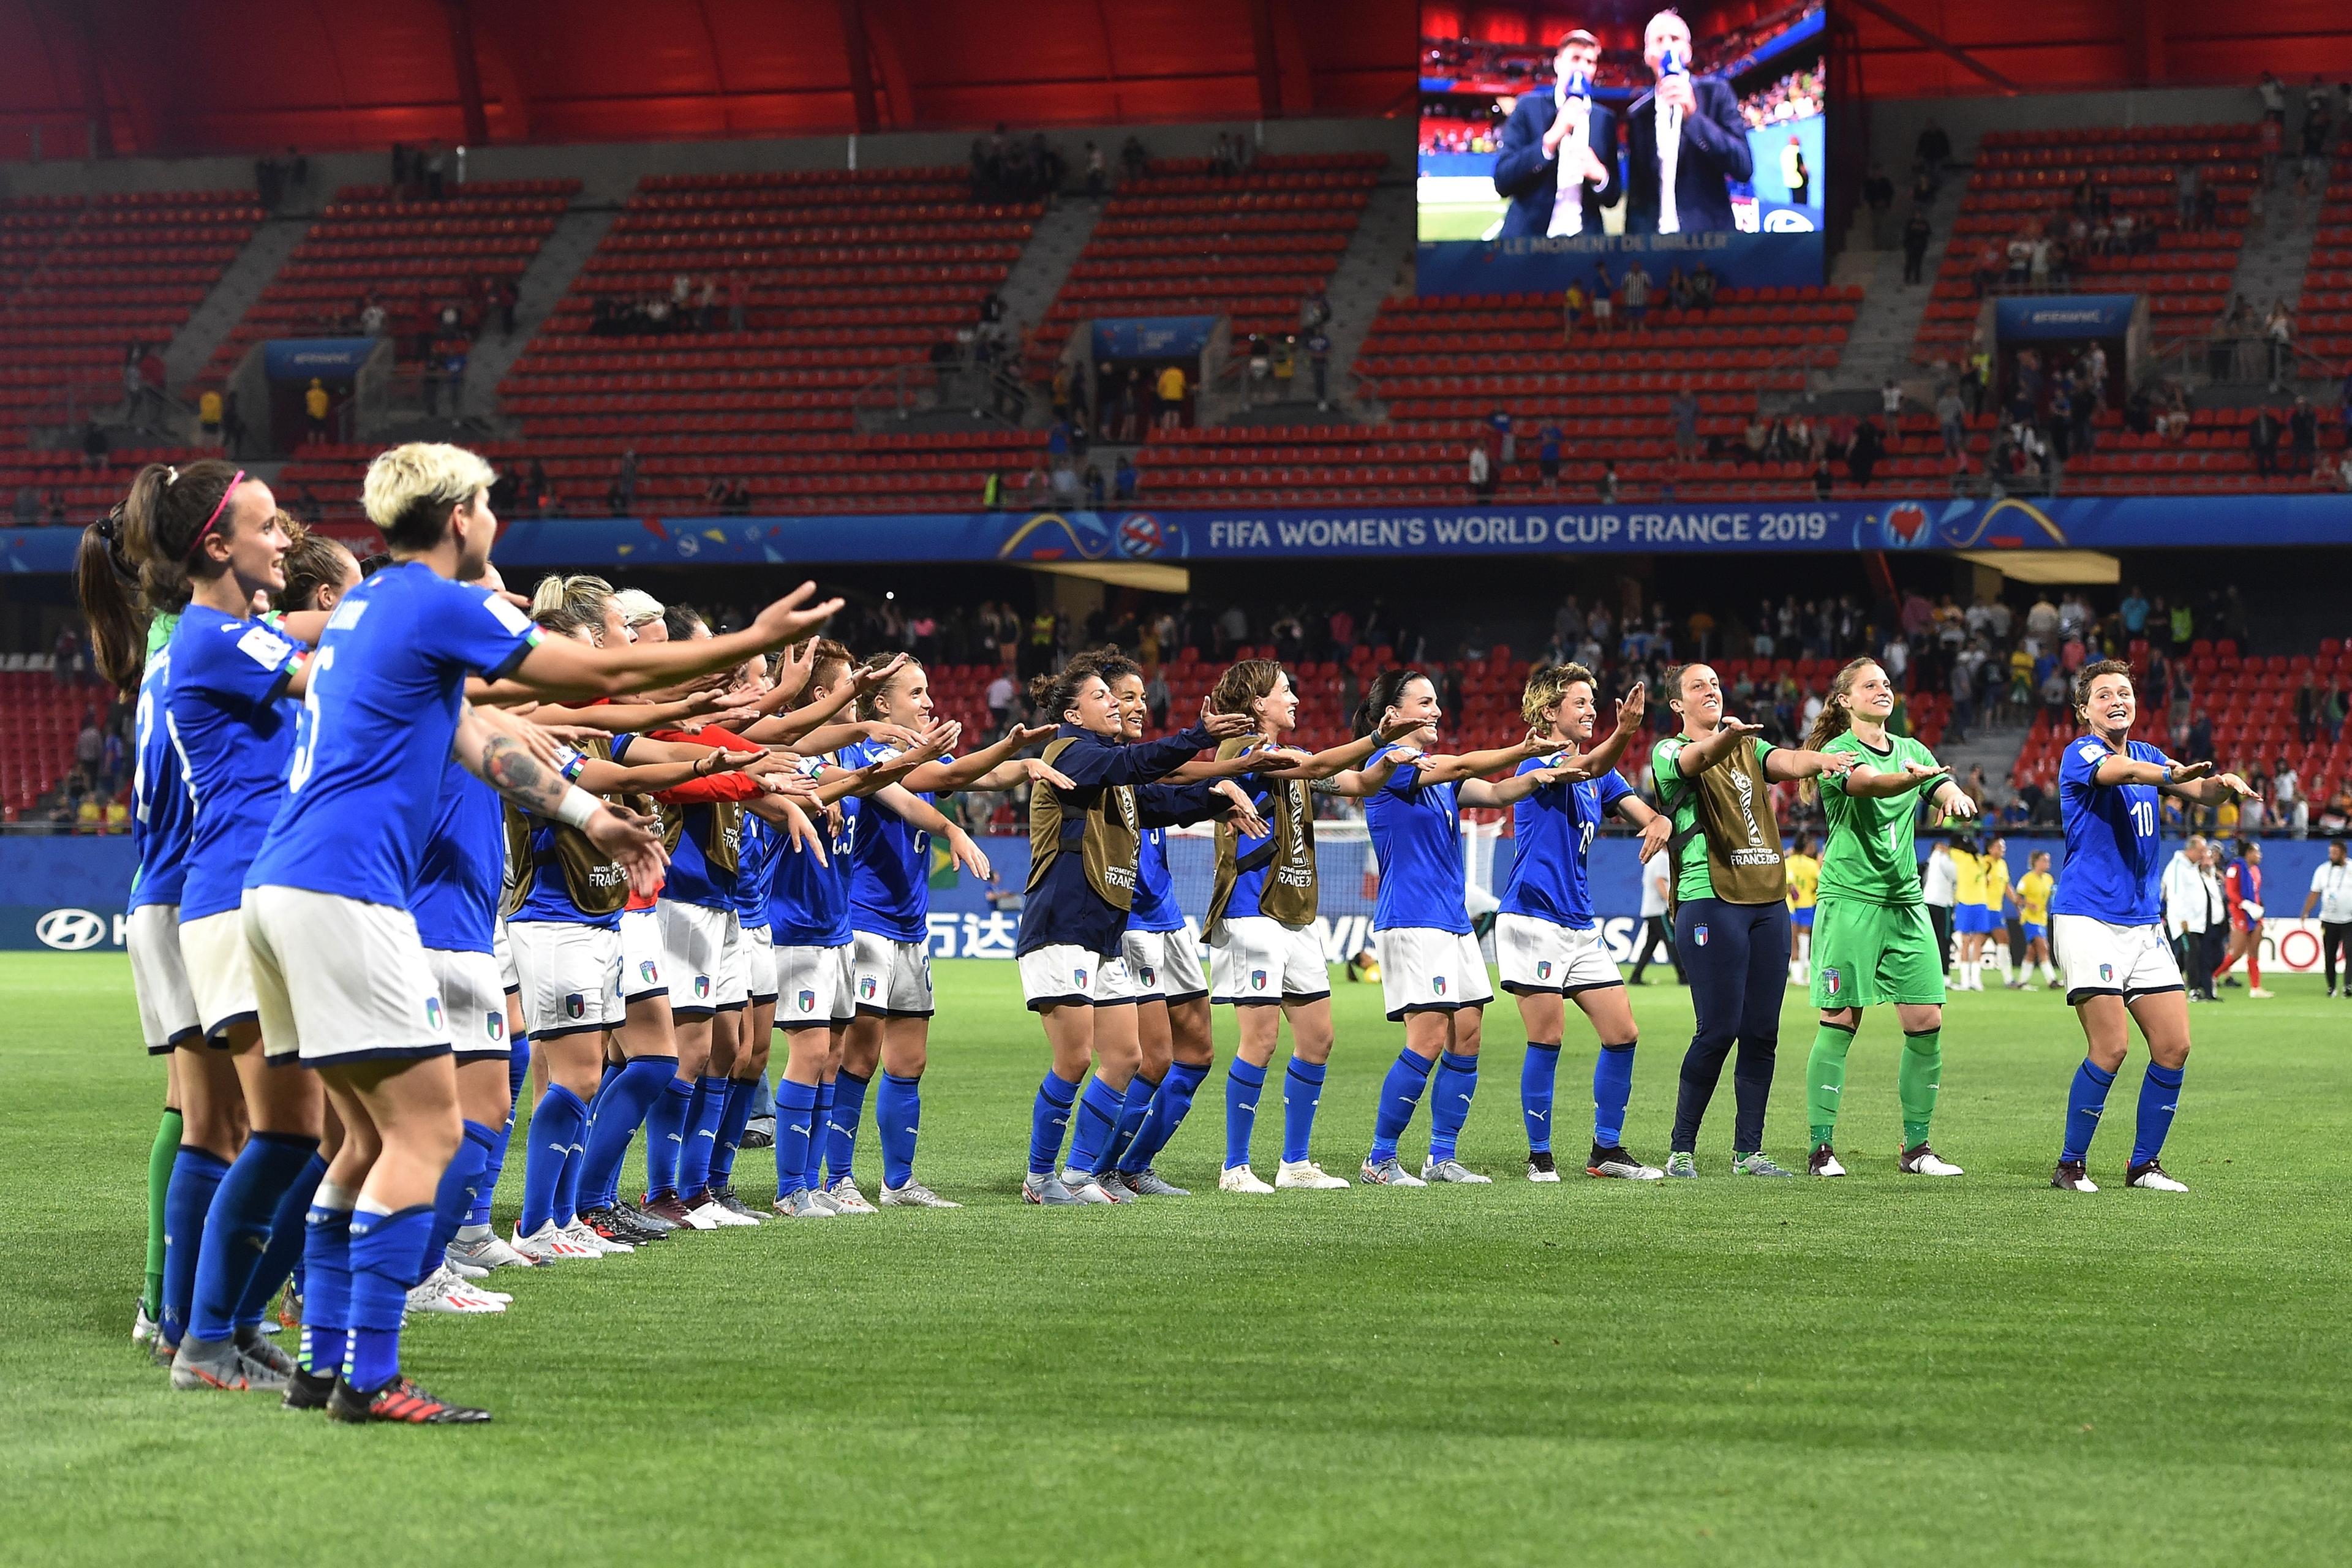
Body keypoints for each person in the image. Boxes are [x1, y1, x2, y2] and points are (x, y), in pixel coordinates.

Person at [248, 443, 843, 1420]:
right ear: (457, 519)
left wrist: (587, 814)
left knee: (358, 1136)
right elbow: (593, 668)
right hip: (348, 888)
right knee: (425, 1128)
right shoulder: (437, 598)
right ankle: (370, 1377)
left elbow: (487, 741)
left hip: (295, 884)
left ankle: (324, 1357)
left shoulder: (369, 609)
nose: (495, 519)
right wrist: (747, 642)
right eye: (487, 504)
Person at [1014, 659, 1251, 1204]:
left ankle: (1078, 1174)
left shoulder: (1111, 772)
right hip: (1061, 925)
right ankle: (1041, 1177)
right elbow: (1144, 765)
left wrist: (1218, 801)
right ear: (1074, 713)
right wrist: (1196, 737)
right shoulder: (1069, 755)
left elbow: (1160, 800)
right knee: (1073, 1059)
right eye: (1104, 697)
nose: (1117, 704)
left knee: (1125, 1056)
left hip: (1103, 934)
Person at [836, 660, 1066, 1205]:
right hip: (866, 924)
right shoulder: (871, 756)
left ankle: (898, 1183)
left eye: (928, 691)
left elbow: (978, 775)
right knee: (858, 1059)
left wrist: (1025, 761)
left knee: (909, 1061)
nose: (927, 701)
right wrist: (955, 826)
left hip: (910, 929)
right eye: (915, 693)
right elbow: (936, 784)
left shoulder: (923, 753)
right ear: (882, 705)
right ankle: (838, 1180)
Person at [1192, 659, 1415, 1193]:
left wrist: (1385, 759)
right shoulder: (1239, 750)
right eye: (1284, 691)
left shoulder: (1293, 757)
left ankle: (1294, 1164)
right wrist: (1373, 737)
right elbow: (1314, 768)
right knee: (1260, 1041)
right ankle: (1235, 1167)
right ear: (1256, 704)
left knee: (1317, 1038)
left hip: (1295, 914)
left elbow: (1357, 781)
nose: (1294, 698)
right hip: (1250, 911)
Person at [2049, 661, 2255, 1193]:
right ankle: (2070, 1165)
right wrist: (2173, 776)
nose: (2117, 700)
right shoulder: (2083, 753)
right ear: (2084, 709)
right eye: (2104, 695)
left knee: (2173, 1046)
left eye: (2125, 692)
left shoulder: (2147, 754)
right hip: (2088, 916)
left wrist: (2222, 787)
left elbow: (2197, 790)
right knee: (2111, 1047)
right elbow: (2125, 775)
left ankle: (2144, 1165)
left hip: (2143, 923)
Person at [75, 502, 201, 1351]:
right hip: (197, 890)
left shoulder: (165, 641)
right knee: (215, 1114)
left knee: (195, 1109)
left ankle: (170, 1298)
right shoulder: (197, 638)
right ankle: (178, 1303)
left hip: (171, 888)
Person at [1649, 662, 1853, 1178]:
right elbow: (1699, 757)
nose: (1711, 691)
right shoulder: (1669, 752)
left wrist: (1820, 760)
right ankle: (1681, 1150)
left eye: (1715, 684)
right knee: (1717, 1029)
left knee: (1762, 1031)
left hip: (1766, 899)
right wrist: (1727, 737)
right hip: (1708, 897)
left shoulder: (1747, 746)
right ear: (1678, 705)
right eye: (1698, 686)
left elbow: (1782, 759)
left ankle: (1748, 1152)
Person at [1351, 670, 1555, 1185]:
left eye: (1438, 700)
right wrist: (1519, 747)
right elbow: (1464, 763)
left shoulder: (1439, 777)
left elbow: (1500, 793)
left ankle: (1442, 1157)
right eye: (1425, 702)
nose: (1438, 709)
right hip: (1413, 920)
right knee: (1428, 1039)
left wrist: (1543, 774)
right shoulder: (1387, 765)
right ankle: (1379, 1158)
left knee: (1468, 1036)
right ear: (1392, 716)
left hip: (1453, 924)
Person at [1796, 658, 1977, 1180]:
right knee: (1841, 1020)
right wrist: (1912, 780)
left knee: (1927, 1022)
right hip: (1851, 900)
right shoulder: (1837, 753)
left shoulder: (1914, 750)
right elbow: (1872, 784)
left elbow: (1936, 784)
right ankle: (1820, 1149)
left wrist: (1952, 793)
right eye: (1870, 685)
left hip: (1905, 902)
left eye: (1887, 683)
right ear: (1846, 701)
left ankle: (1917, 1148)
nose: (1883, 690)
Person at [1496, 665, 1670, 1183]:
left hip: (1579, 922)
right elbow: (1591, 768)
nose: (1592, 709)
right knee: (1548, 1038)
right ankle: (1540, 1156)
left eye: (1594, 701)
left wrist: (1657, 820)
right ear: (1550, 713)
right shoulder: (1544, 762)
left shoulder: (1602, 770)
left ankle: (1606, 1151)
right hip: (1532, 917)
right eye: (1580, 702)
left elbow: (1639, 809)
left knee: (1623, 1033)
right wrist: (1625, 733)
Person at [1623, 9, 1753, 235]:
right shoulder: (1638, 115)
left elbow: (1743, 167)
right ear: (1647, 55)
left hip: (1709, 241)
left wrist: (1694, 117)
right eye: (1659, 40)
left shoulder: (1717, 93)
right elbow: (1637, 195)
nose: (1667, 45)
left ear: (1688, 52)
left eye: (1675, 39)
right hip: (1656, 244)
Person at [1489, 28, 1620, 239]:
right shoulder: (1527, 107)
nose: (1583, 67)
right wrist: (1548, 143)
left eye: (1590, 62)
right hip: (1530, 241)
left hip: (1584, 242)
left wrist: (1600, 175)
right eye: (1576, 58)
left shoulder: (1604, 119)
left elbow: (1613, 196)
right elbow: (1503, 182)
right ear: (1558, 64)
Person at [2214, 839, 2272, 998]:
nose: (2259, 855)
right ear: (2248, 853)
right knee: (2237, 952)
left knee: (2254, 951)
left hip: (2255, 915)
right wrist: (2247, 905)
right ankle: (2212, 976)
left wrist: (2258, 907)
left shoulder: (2255, 871)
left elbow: (2255, 893)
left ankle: (2255, 988)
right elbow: (2231, 892)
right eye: (2256, 852)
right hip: (2241, 914)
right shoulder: (2235, 868)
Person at [2162, 835, 2211, 1000]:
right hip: (2184, 922)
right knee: (2191, 954)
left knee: (2184, 957)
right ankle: (2194, 990)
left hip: (2196, 922)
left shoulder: (2192, 867)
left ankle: (2166, 985)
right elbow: (2175, 894)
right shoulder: (2177, 866)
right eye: (2201, 851)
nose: (2204, 854)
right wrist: (2182, 919)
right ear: (2191, 849)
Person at [2302, 838, 2352, 996]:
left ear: (2344, 853)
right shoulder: (2322, 870)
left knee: (2350, 952)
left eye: (2335, 853)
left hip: (2349, 919)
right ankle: (2331, 986)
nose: (2332, 856)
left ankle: (2348, 986)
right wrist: (2306, 911)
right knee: (2330, 954)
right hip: (2329, 919)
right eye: (2331, 852)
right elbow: (2315, 893)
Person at [1628, 851, 1681, 986]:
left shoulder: (1653, 858)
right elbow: (1660, 882)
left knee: (1650, 945)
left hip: (1650, 908)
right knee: (1672, 940)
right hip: (1659, 909)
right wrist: (1671, 903)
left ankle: (1636, 976)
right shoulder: (1662, 858)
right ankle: (1684, 976)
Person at [2013, 849, 2057, 990]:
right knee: (2043, 947)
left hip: (2042, 919)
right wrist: (2028, 904)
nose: (2047, 864)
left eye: (2048, 861)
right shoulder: (2027, 879)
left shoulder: (2049, 879)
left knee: (2032, 951)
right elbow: (2017, 899)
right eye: (2044, 860)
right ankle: (2052, 980)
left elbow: (2052, 897)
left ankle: (2022, 982)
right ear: (2036, 862)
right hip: (2029, 919)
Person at [1784, 833, 1818, 983]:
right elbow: (1819, 881)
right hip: (1808, 904)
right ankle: (1805, 973)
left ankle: (1796, 974)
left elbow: (1788, 884)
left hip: (1791, 904)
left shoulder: (1788, 862)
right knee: (1805, 939)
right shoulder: (1811, 864)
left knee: (1794, 940)